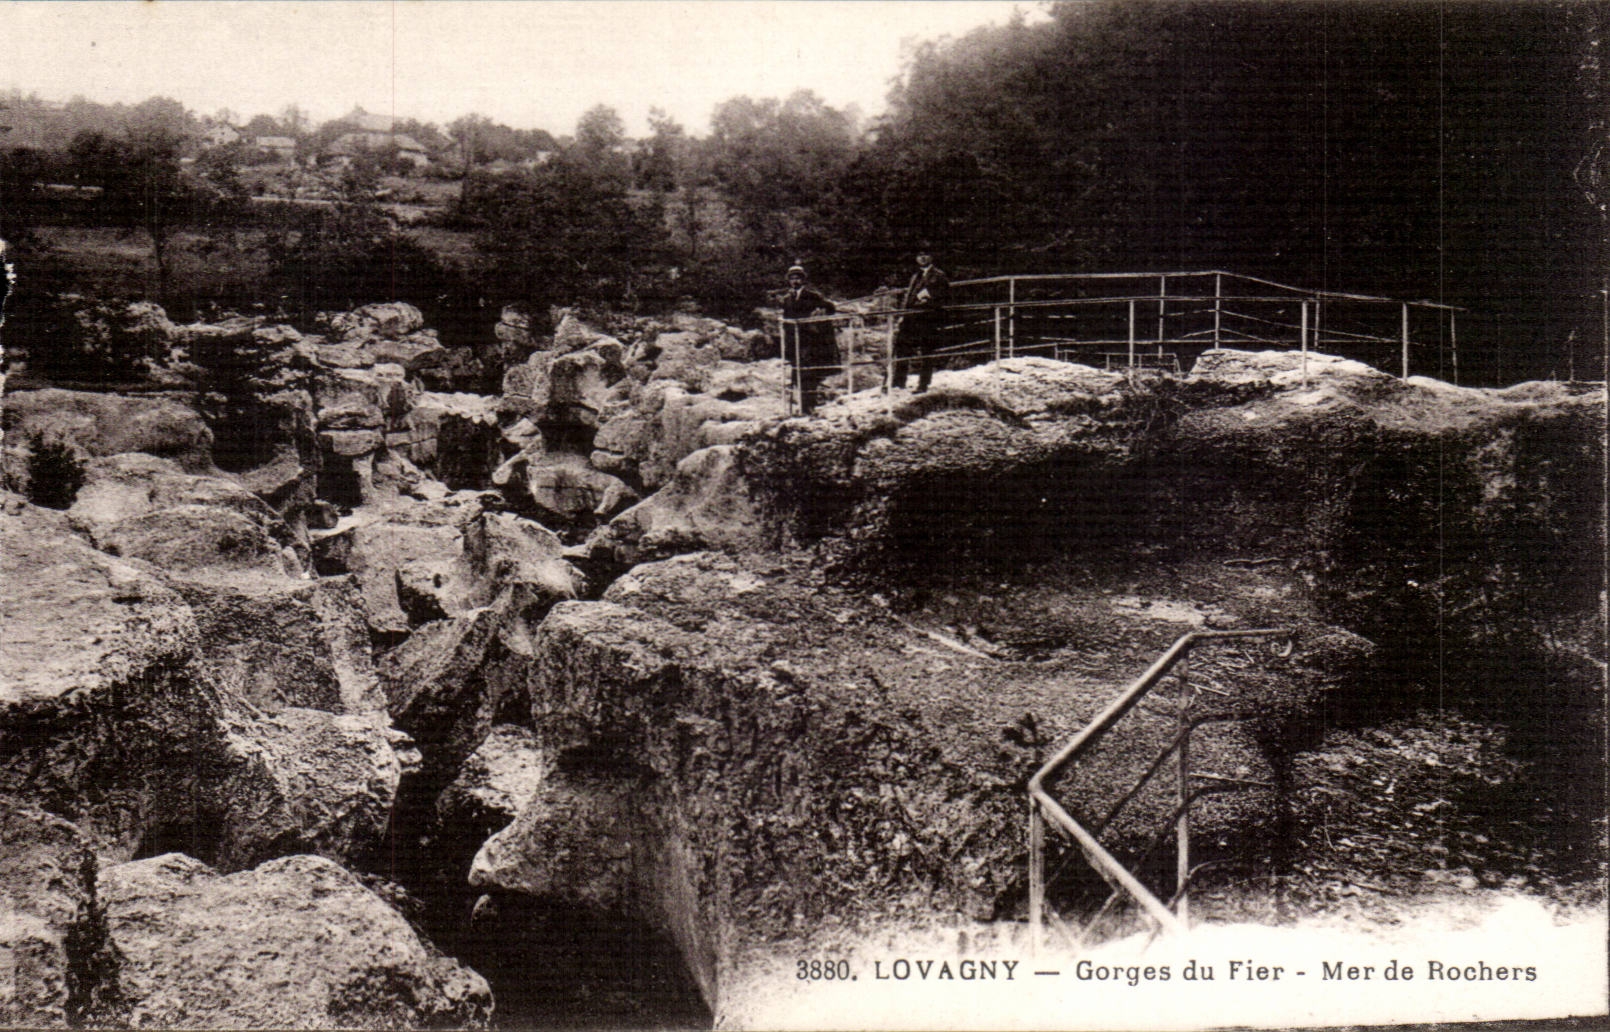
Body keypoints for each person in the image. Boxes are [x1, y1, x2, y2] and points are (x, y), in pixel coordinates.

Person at [778, 264, 838, 415]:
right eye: (792, 278)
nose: (795, 281)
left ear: (803, 280)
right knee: (797, 373)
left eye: (798, 278)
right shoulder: (787, 299)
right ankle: (801, 407)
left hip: (810, 341)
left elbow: (830, 308)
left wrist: (817, 316)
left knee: (809, 374)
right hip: (794, 341)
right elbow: (786, 320)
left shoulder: (812, 296)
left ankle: (809, 407)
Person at [896, 250, 950, 392]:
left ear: (931, 257)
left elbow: (943, 296)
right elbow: (908, 297)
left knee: (926, 352)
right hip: (910, 318)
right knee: (902, 348)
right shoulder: (916, 276)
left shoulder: (938, 275)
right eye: (919, 255)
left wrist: (928, 300)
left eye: (925, 255)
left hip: (927, 319)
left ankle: (923, 384)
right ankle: (898, 382)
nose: (922, 258)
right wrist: (902, 315)